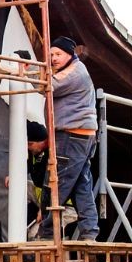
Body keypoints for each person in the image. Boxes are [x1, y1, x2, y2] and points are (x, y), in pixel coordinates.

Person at [35, 36, 99, 241]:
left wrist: (21, 70)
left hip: (71, 136)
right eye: (51, 54)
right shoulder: (74, 70)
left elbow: (47, 85)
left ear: (70, 54)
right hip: (81, 136)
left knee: (55, 183)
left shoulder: (74, 72)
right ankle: (89, 232)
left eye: (58, 54)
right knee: (81, 184)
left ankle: (46, 235)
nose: (53, 58)